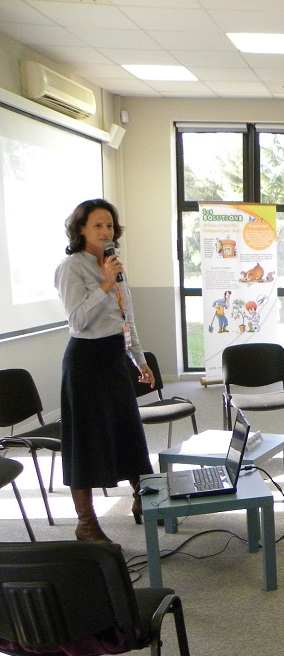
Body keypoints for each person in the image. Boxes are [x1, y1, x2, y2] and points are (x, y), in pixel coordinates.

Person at [55, 199, 155, 544]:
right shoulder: (72, 268)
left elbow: (125, 319)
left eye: (110, 226)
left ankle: (146, 499)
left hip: (114, 358)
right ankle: (87, 524)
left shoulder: (114, 264)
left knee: (129, 433)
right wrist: (105, 284)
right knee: (85, 442)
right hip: (85, 362)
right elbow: (78, 321)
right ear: (81, 229)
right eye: (98, 225)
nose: (105, 232)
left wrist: (138, 359)